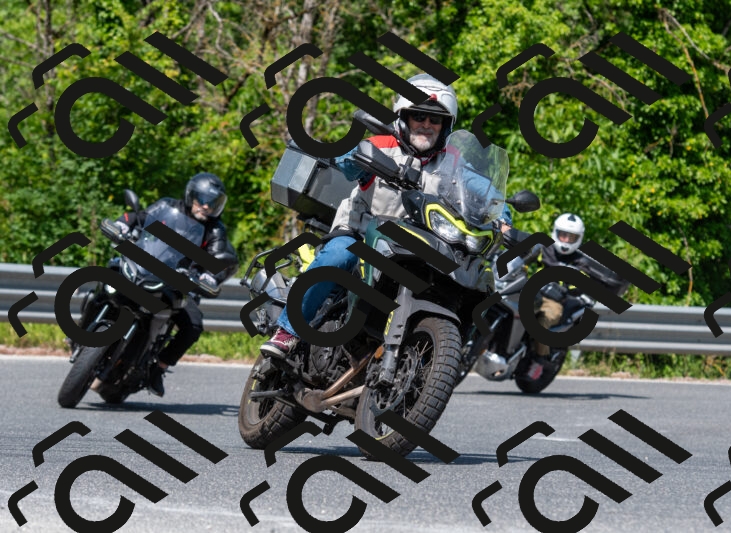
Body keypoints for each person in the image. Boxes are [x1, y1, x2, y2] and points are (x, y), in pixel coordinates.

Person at [262, 74, 512, 357]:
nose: (426, 124)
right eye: (419, 116)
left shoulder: (453, 160)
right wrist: (362, 160)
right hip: (361, 233)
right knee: (337, 257)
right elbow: (347, 160)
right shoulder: (382, 143)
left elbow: (487, 191)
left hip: (418, 244)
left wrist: (502, 219)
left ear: (446, 125)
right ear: (404, 117)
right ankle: (289, 331)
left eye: (435, 119)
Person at [109, 173, 238, 395]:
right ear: (190, 196)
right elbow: (140, 217)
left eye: (212, 203)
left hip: (177, 282)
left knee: (193, 326)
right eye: (202, 200)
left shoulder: (215, 230)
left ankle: (159, 368)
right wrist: (123, 224)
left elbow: (216, 259)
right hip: (144, 263)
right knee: (111, 270)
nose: (206, 206)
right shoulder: (167, 206)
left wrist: (209, 276)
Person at [532, 213, 628, 356]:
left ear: (579, 238)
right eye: (563, 235)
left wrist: (566, 287)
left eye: (571, 237)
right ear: (555, 232)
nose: (566, 240)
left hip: (555, 302)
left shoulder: (581, 261)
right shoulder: (544, 249)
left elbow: (581, 285)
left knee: (542, 321)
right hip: (533, 293)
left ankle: (540, 359)